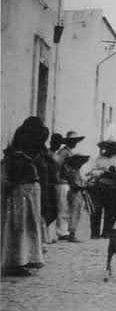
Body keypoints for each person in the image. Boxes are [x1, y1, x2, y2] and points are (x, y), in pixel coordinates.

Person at [1, 118, 47, 276]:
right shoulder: (20, 155)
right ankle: (16, 261)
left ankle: (24, 259)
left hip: (29, 189)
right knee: (20, 225)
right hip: (22, 190)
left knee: (25, 225)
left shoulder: (23, 152)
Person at [86, 141, 116, 239]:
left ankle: (107, 232)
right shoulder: (99, 159)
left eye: (110, 148)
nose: (108, 150)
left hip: (113, 188)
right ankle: (95, 233)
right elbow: (92, 171)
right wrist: (102, 171)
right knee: (96, 211)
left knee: (111, 211)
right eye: (106, 148)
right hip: (99, 187)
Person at [54, 130, 85, 241]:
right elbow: (58, 166)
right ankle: (62, 232)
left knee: (70, 207)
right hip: (63, 181)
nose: (74, 143)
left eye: (76, 141)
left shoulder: (70, 152)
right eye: (72, 141)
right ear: (68, 141)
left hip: (70, 182)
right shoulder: (63, 152)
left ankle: (67, 231)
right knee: (63, 207)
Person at [58, 154, 90, 242]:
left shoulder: (73, 171)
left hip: (74, 192)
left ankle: (68, 232)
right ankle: (71, 233)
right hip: (74, 193)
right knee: (74, 213)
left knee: (69, 212)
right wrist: (82, 187)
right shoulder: (73, 172)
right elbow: (76, 184)